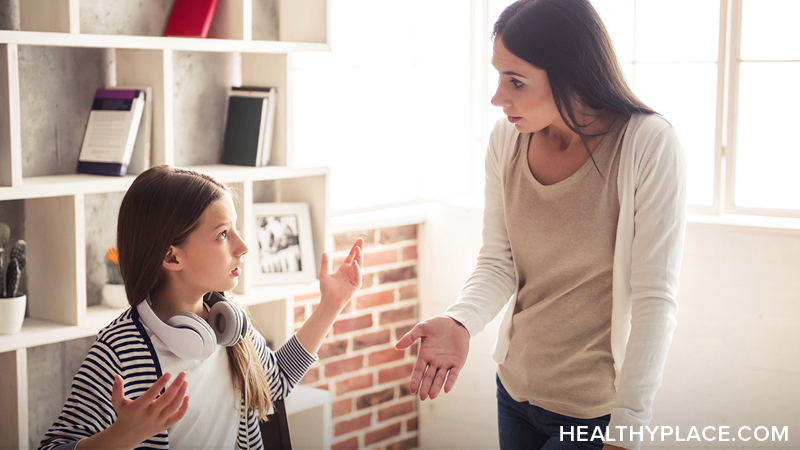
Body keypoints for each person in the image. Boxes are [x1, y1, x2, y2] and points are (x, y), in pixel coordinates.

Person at [396, 1, 686, 449]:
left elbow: (655, 298)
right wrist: (461, 321)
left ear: (571, 73)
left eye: (516, 81)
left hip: (594, 413)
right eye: (498, 77)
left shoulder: (647, 144)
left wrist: (627, 429)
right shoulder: (506, 141)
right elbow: (500, 260)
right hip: (514, 392)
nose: (497, 98)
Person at [39, 165, 364, 450]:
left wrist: (331, 305)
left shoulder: (229, 323)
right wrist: (121, 437)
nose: (244, 246)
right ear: (172, 257)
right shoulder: (118, 351)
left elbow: (273, 383)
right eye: (223, 234)